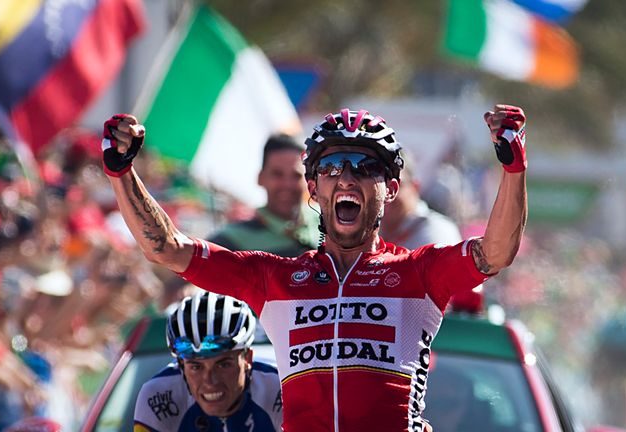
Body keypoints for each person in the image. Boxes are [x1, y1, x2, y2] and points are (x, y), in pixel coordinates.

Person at [103, 105, 528, 432]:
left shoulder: (420, 272)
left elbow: (496, 252)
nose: (346, 178)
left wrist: (512, 168)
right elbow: (168, 248)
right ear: (314, 187)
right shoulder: (275, 280)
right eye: (330, 167)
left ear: (391, 189)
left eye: (365, 168)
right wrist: (122, 173)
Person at [134, 290, 283, 431]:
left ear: (247, 359)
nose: (210, 382)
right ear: (181, 366)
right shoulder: (158, 396)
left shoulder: (279, 389)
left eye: (223, 365)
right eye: (196, 367)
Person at [208, 134, 320, 257]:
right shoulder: (230, 241)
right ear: (260, 178)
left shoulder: (329, 221)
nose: (287, 184)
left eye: (296, 175)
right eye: (277, 174)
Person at [380, 154, 462, 249]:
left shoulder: (436, 232)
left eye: (394, 186)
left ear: (415, 187)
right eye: (379, 184)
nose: (385, 194)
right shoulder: (371, 232)